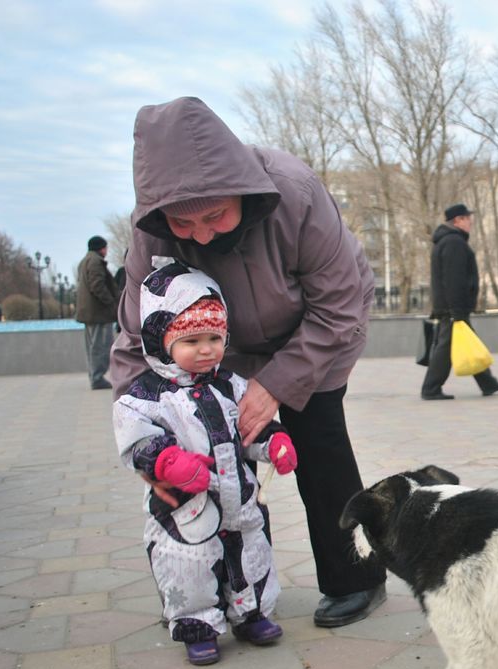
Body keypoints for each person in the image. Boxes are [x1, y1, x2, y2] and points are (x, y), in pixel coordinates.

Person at [110, 96, 386, 629]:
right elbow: (134, 335)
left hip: (318, 330)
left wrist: (277, 383)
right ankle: (223, 589)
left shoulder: (294, 191)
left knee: (319, 442)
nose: (205, 234)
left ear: (241, 189)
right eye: (184, 225)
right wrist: (142, 438)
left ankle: (356, 577)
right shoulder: (151, 233)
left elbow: (339, 305)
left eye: (215, 215)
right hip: (214, 346)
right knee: (210, 460)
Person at [113, 261, 297, 665]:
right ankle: (197, 624)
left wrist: (275, 442)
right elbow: (136, 437)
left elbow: (251, 428)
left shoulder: (231, 384)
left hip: (241, 498)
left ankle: (251, 612)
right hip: (185, 506)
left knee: (251, 552)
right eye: (191, 340)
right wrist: (166, 460)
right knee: (187, 563)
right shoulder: (146, 394)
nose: (206, 349)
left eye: (214, 337)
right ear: (161, 340)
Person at [420, 203, 498, 400]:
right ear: (458, 220)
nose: (470, 222)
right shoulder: (454, 243)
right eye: (467, 218)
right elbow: (454, 279)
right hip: (453, 308)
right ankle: (430, 388)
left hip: (451, 307)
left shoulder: (447, 241)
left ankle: (487, 382)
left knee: (469, 343)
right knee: (445, 349)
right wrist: (457, 310)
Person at [77, 235, 120, 389]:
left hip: (90, 313)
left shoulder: (85, 261)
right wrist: (111, 303)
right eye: (106, 248)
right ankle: (97, 377)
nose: (107, 251)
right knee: (100, 346)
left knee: (93, 346)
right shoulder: (95, 262)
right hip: (99, 313)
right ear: (101, 248)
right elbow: (97, 286)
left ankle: (95, 376)